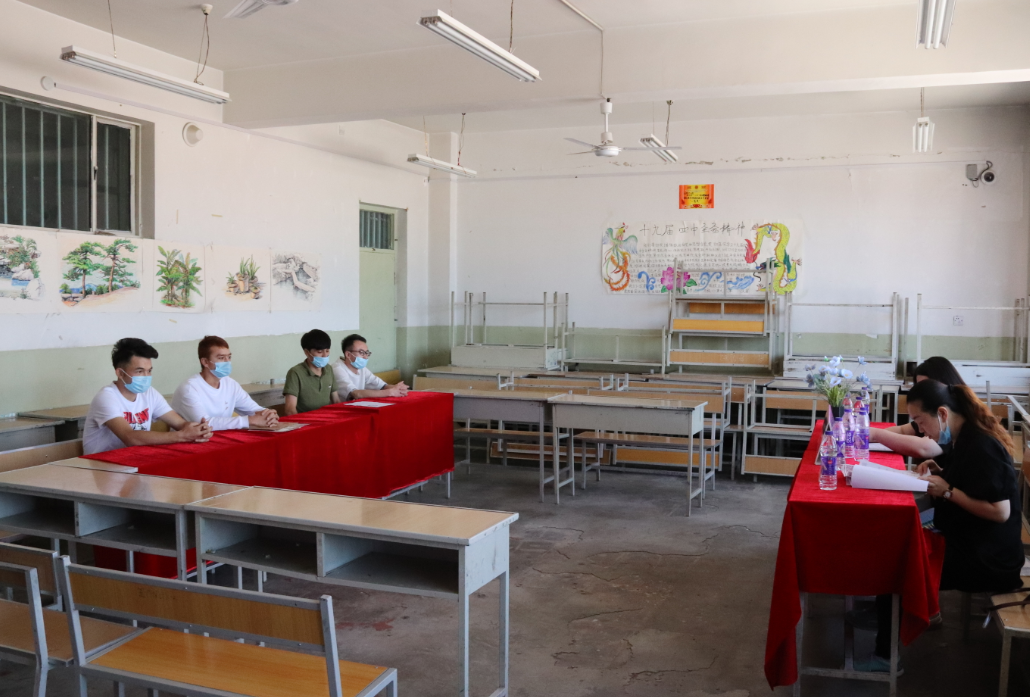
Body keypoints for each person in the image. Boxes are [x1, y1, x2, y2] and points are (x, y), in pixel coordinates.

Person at [869, 379, 1024, 669]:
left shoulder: (981, 445)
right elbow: (970, 480)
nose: (920, 430)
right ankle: (886, 615)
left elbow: (1000, 511)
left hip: (987, 556)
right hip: (964, 534)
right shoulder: (962, 437)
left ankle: (885, 657)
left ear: (941, 413)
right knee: (898, 536)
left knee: (898, 563)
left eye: (920, 421)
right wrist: (941, 471)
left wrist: (948, 491)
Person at [83, 338, 212, 455]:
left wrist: (198, 429)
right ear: (120, 373)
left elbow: (180, 423)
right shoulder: (106, 397)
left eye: (149, 371)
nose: (146, 377)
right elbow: (130, 437)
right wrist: (182, 436)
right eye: (139, 371)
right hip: (101, 466)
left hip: (134, 459)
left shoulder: (149, 393)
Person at [172, 335, 279, 431]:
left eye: (229, 357)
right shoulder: (189, 388)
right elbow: (205, 424)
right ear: (205, 362)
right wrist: (248, 420)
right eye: (221, 358)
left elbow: (253, 409)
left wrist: (268, 414)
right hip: (191, 442)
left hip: (221, 438)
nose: (227, 361)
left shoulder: (230, 383)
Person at [870, 356, 966, 458]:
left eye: (926, 386)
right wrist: (867, 434)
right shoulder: (931, 414)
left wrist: (876, 434)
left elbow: (925, 448)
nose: (921, 392)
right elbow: (903, 430)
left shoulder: (953, 418)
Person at [332, 334, 409, 400]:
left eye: (367, 353)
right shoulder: (337, 369)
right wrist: (390, 392)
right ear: (348, 355)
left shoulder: (361, 368)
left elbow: (381, 385)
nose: (365, 357)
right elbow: (355, 394)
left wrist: (398, 388)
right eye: (361, 352)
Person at [283, 329, 341, 415]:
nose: (325, 355)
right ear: (307, 352)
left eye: (327, 351)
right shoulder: (295, 373)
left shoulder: (329, 369)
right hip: (305, 420)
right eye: (319, 352)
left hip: (327, 418)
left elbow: (336, 400)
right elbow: (290, 409)